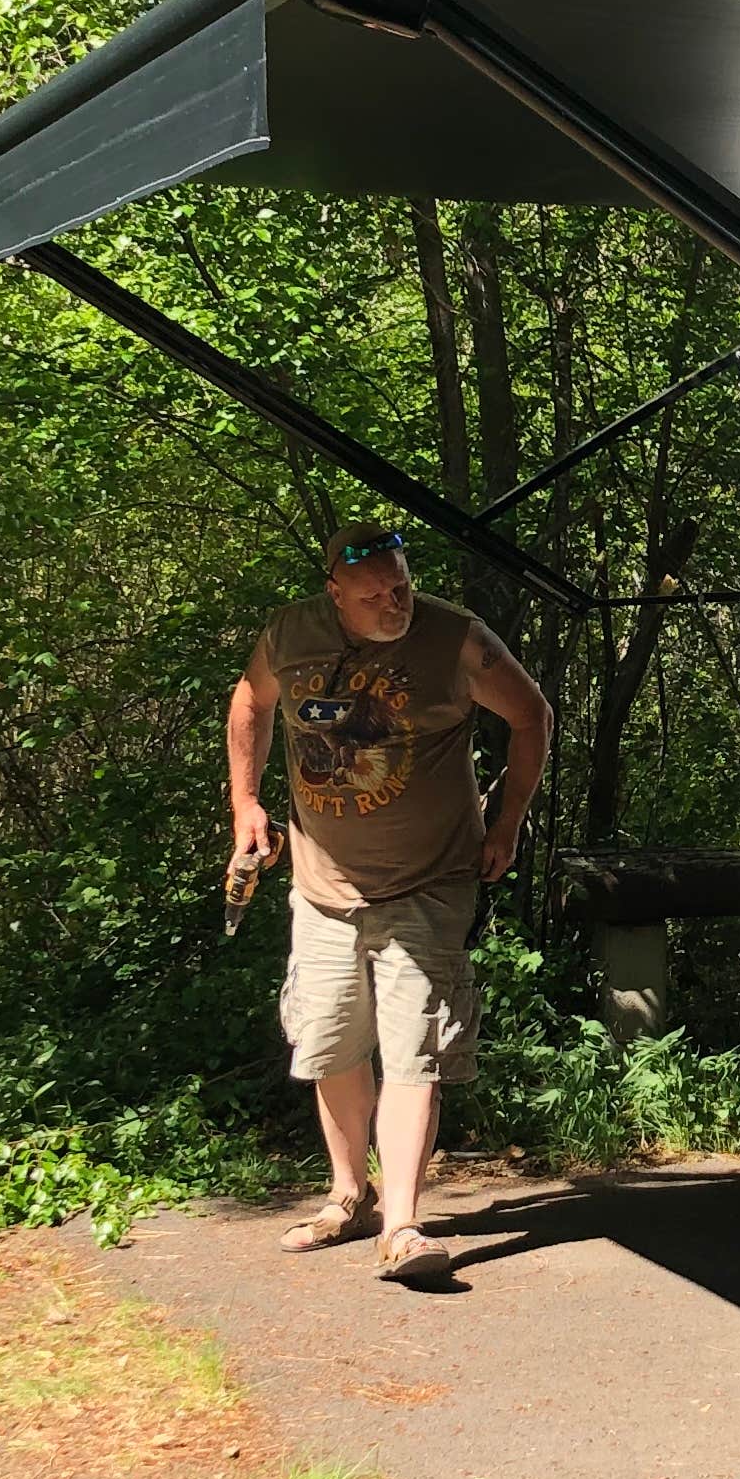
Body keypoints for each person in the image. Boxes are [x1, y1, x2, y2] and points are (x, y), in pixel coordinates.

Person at [227, 518, 553, 1282]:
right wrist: (245, 803)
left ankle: (403, 1225)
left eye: (400, 586)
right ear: (335, 595)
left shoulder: (455, 639)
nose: (392, 604)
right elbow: (250, 702)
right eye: (373, 596)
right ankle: (350, 1198)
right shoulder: (291, 634)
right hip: (322, 883)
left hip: (430, 879)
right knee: (331, 1041)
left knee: (415, 1047)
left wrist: (508, 820)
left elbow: (532, 714)